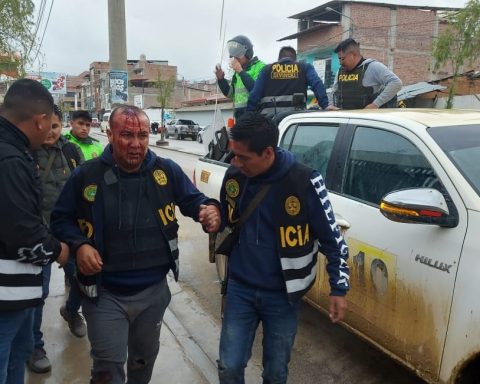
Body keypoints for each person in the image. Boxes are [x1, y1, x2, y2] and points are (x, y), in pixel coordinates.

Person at [50, 105, 221, 384]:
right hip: (103, 293)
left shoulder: (166, 170)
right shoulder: (86, 175)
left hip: (153, 294)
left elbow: (194, 201)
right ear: (109, 134)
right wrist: (80, 245)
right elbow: (59, 219)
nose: (136, 144)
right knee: (107, 371)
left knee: (143, 363)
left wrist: (208, 209)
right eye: (126, 135)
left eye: (142, 135)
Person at [216, 113, 350, 384]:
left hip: (283, 296)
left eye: (243, 157)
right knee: (229, 367)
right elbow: (226, 217)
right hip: (240, 289)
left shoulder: (305, 182)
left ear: (267, 152)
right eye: (234, 155)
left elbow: (333, 240)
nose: (234, 162)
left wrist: (339, 288)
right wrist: (211, 213)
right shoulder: (235, 176)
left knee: (276, 372)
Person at [0, 78, 69, 384]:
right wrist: (59, 249)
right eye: (48, 124)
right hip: (6, 296)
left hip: (18, 292)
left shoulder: (14, 150)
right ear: (41, 120)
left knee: (17, 357)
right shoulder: (10, 159)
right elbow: (23, 232)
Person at [27, 105, 84, 373]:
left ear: (61, 126)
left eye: (55, 126)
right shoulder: (26, 152)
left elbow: (85, 185)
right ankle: (34, 344)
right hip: (39, 234)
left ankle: (71, 311)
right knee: (39, 292)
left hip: (70, 232)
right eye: (46, 126)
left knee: (84, 279)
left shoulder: (71, 151)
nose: (50, 132)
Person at [61, 109, 102, 338]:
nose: (85, 128)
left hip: (91, 215)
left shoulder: (97, 147)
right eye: (80, 123)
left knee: (82, 271)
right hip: (68, 214)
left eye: (88, 124)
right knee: (79, 271)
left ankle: (70, 310)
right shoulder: (65, 146)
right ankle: (71, 311)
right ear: (71, 123)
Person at [247, 46, 335, 115]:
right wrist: (325, 105)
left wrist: (250, 114)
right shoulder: (304, 67)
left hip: (270, 122)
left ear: (279, 59)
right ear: (295, 59)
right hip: (295, 122)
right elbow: (317, 84)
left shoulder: (266, 70)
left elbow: (254, 95)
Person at [332, 37, 403, 109]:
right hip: (348, 118)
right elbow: (334, 92)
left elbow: (396, 83)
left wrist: (375, 104)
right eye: (339, 59)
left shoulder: (372, 67)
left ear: (354, 55)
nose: (340, 62)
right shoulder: (340, 72)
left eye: (343, 58)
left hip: (368, 119)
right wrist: (331, 105)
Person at [215, 35, 265, 119]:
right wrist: (221, 80)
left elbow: (257, 90)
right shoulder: (237, 72)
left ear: (247, 53)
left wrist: (241, 72)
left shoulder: (260, 67)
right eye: (233, 56)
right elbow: (230, 94)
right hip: (239, 116)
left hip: (254, 115)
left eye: (237, 55)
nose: (234, 58)